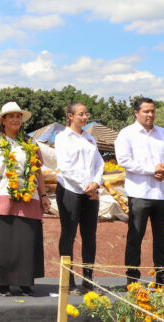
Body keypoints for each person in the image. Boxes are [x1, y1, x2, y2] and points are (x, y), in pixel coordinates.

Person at [0, 102, 50, 297]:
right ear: (3, 121)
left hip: (29, 197)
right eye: (11, 116)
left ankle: (24, 282)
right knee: (3, 241)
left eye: (18, 116)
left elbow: (37, 170)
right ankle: (2, 282)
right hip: (1, 194)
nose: (16, 119)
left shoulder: (31, 144)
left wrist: (43, 195)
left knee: (25, 241)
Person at [114, 97, 164, 285]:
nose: (150, 115)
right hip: (139, 193)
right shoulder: (127, 134)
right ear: (136, 113)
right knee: (135, 237)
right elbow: (124, 160)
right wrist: (153, 169)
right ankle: (133, 279)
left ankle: (162, 277)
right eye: (146, 111)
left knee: (163, 238)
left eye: (152, 111)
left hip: (163, 194)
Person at [54, 102, 104, 294]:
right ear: (70, 116)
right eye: (80, 114)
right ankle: (68, 281)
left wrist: (96, 183)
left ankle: (88, 281)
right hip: (70, 190)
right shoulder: (62, 138)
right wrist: (86, 187)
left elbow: (99, 163)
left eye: (86, 113)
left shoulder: (90, 138)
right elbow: (65, 167)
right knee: (69, 233)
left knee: (89, 235)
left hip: (90, 191)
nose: (84, 117)